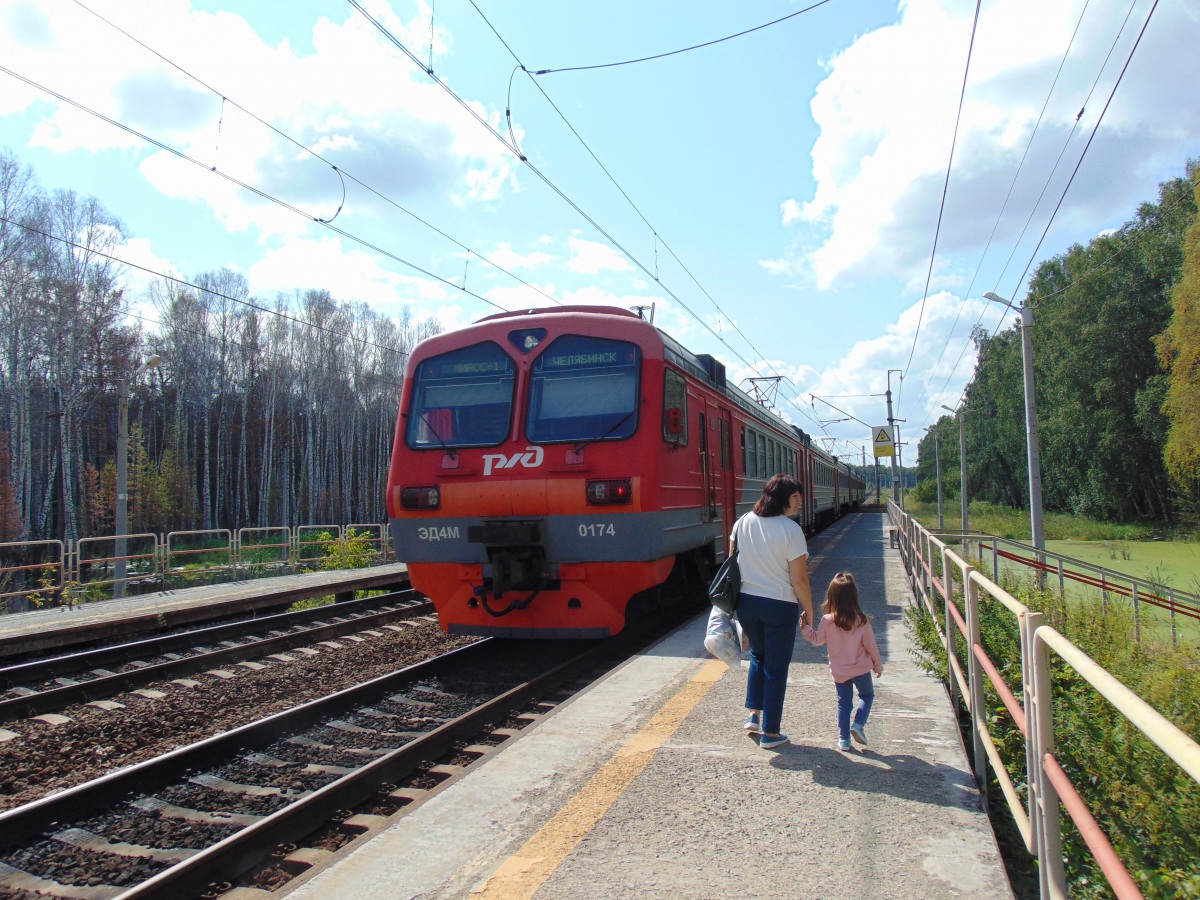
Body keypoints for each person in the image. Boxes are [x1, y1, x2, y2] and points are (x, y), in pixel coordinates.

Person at [731, 473, 813, 750]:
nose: (800, 501)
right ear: (781, 499)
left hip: (746, 603)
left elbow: (732, 562)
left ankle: (754, 716)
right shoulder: (791, 530)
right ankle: (772, 733)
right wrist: (810, 611)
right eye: (795, 496)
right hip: (779, 605)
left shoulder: (742, 522)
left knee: (758, 655)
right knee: (776, 668)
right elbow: (799, 580)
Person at [801, 572, 884, 751]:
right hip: (861, 670)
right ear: (854, 597)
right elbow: (871, 646)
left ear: (831, 597)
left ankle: (844, 740)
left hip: (839, 672)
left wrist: (806, 628)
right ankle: (858, 724)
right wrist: (877, 665)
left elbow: (816, 640)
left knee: (844, 703)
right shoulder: (862, 621)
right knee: (867, 696)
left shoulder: (827, 621)